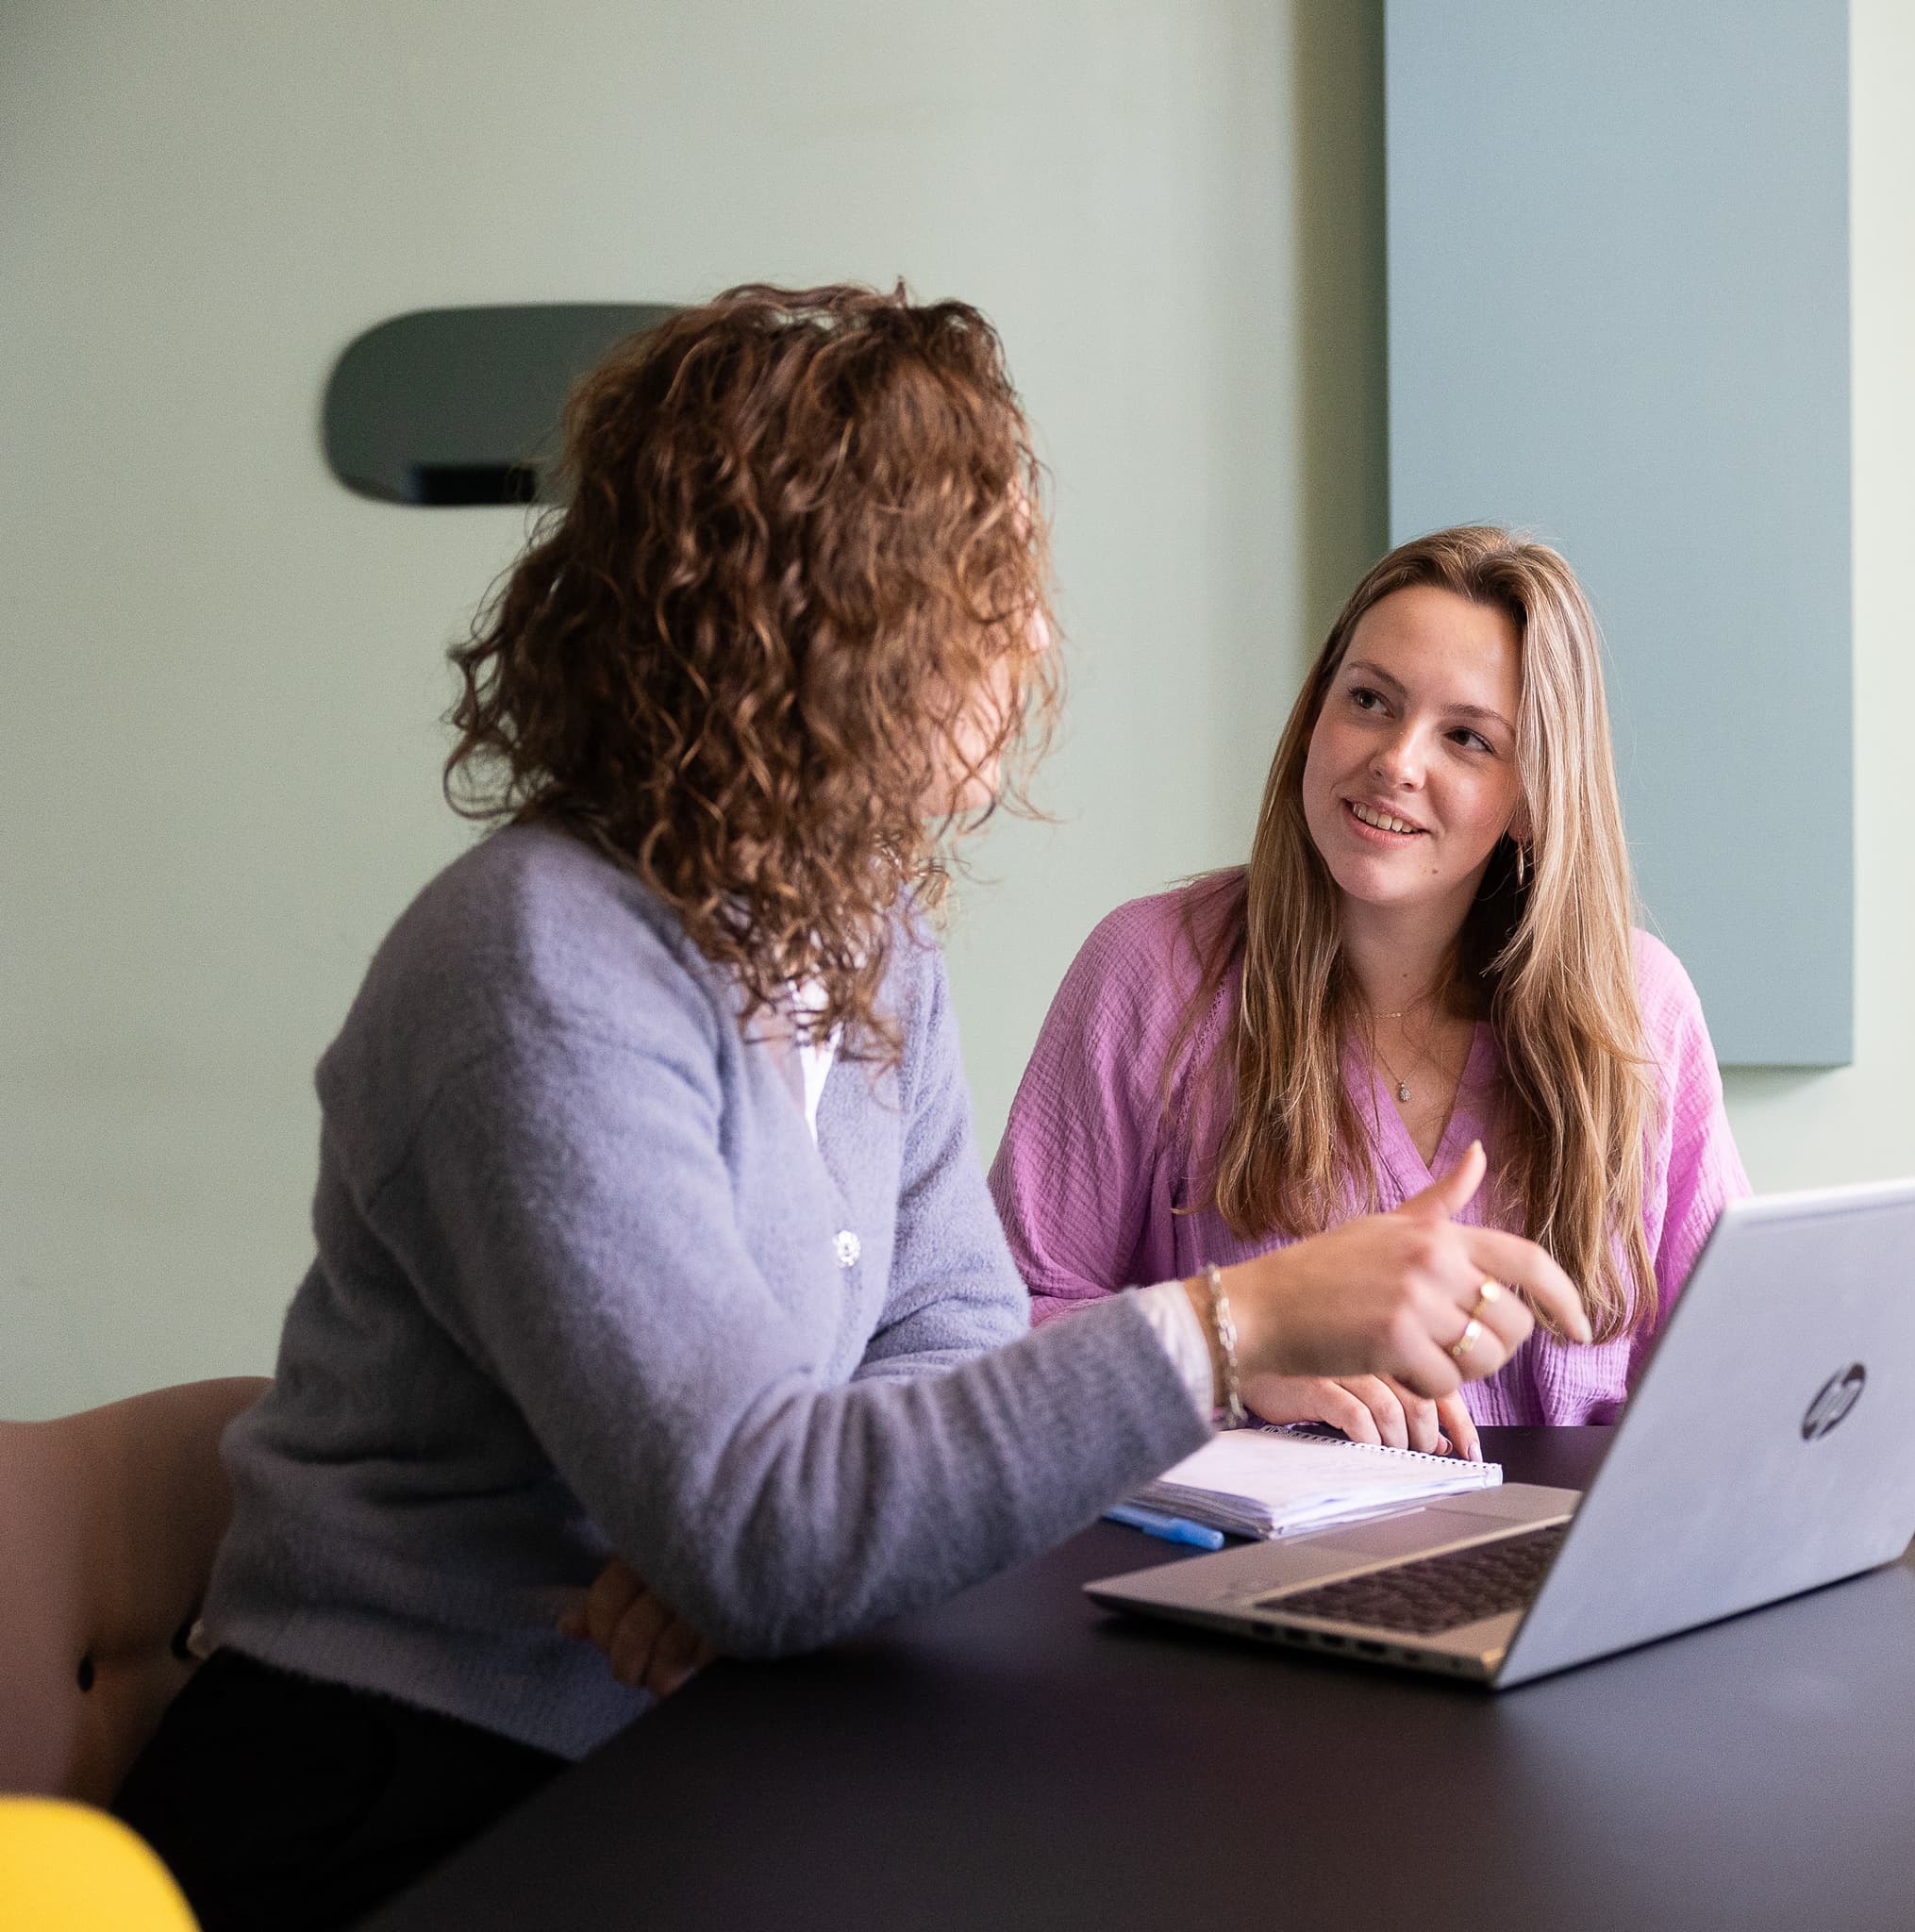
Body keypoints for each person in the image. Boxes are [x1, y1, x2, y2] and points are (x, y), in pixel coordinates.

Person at [109, 288, 1588, 1932]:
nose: (1036, 643)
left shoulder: (865, 934)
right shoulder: (536, 964)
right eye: (992, 592)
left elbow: (944, 1351)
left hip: (692, 1725)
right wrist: (1238, 1322)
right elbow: (773, 1523)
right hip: (405, 1787)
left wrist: (776, 1546)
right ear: (829, 627)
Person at [993, 527, 1748, 1458]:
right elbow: (992, 1332)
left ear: (1531, 798)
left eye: (1467, 737)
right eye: (1369, 700)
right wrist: (1232, 1360)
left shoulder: (1640, 1007)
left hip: (1565, 1546)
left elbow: (1735, 1367)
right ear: (1316, 715)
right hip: (1242, 1547)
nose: (1397, 760)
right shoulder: (1150, 970)